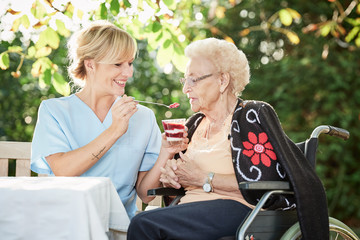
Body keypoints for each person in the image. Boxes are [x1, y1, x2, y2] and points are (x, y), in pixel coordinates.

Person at [127, 38, 329, 239]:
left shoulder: (250, 116)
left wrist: (203, 178)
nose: (185, 88)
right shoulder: (193, 125)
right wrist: (170, 169)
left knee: (144, 224)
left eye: (193, 79)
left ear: (222, 80)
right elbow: (147, 194)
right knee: (147, 219)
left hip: (240, 211)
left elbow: (266, 181)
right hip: (190, 212)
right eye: (184, 80)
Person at [30, 21, 187, 219]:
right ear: (90, 64)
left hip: (118, 225)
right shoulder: (54, 111)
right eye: (117, 64)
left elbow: (145, 195)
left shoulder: (143, 117)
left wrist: (166, 151)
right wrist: (114, 131)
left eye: (130, 63)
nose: (128, 73)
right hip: (66, 221)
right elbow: (63, 170)